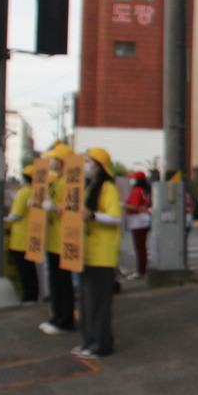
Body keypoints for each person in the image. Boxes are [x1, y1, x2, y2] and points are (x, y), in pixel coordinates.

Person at [73, 147, 123, 359]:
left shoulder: (108, 188)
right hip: (87, 253)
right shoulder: (90, 187)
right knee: (87, 302)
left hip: (102, 255)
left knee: (98, 303)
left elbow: (116, 218)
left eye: (88, 161)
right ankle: (89, 342)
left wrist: (92, 215)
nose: (85, 165)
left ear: (98, 166)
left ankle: (100, 344)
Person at [38, 142, 77, 335]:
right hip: (54, 240)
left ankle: (63, 320)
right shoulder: (61, 179)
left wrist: (52, 207)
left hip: (63, 240)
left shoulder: (70, 180)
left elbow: (71, 207)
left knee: (62, 282)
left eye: (55, 158)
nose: (51, 162)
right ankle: (58, 316)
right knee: (57, 280)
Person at [5, 164, 39, 303]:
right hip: (32, 235)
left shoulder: (24, 192)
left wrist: (5, 219)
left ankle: (28, 296)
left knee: (24, 270)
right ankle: (33, 294)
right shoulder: (37, 191)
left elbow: (16, 214)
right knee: (30, 269)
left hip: (20, 238)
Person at [123, 170, 152, 280]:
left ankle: (141, 271)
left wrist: (122, 205)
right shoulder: (145, 190)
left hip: (137, 221)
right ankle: (143, 269)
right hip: (144, 219)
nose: (131, 180)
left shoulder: (137, 190)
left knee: (140, 247)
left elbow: (134, 207)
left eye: (133, 178)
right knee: (142, 247)